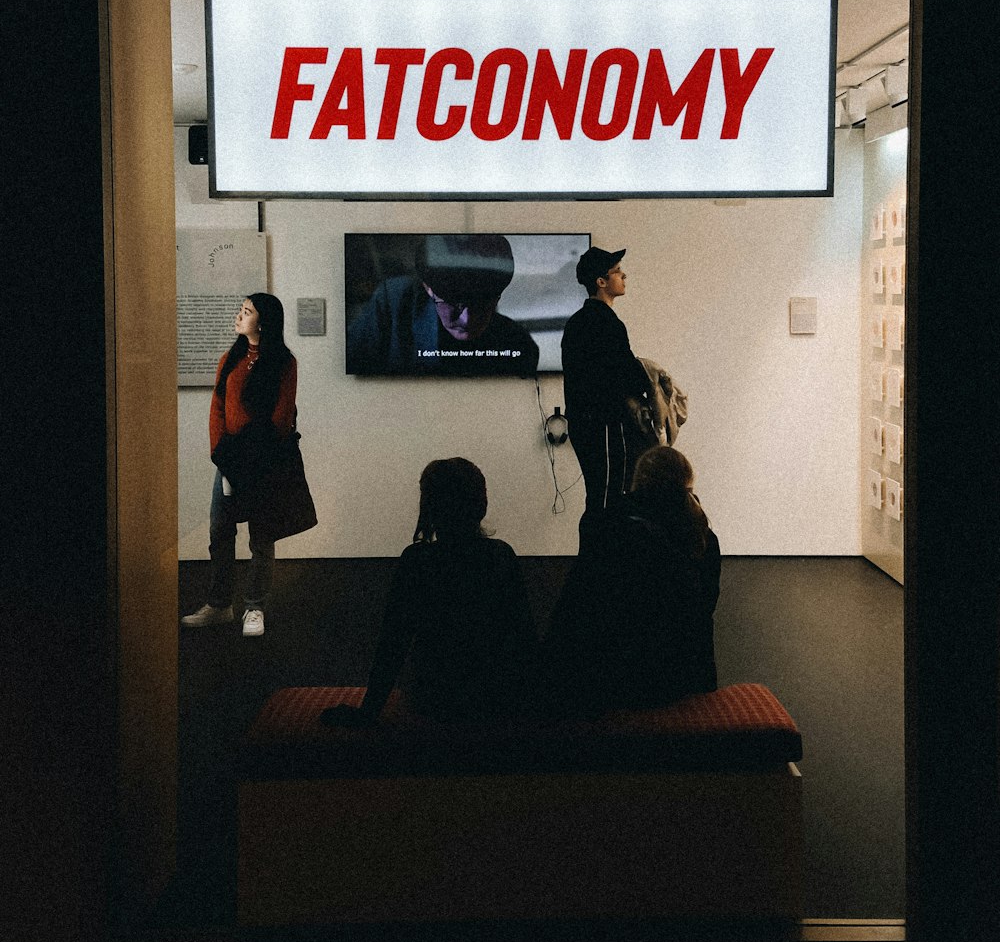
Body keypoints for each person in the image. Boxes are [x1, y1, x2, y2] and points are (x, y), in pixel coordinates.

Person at [320, 458, 538, 725]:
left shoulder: (417, 562)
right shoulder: (501, 556)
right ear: (481, 505)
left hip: (434, 697)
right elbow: (524, 637)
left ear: (429, 508)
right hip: (496, 696)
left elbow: (393, 643)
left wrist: (368, 712)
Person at [543, 445, 721, 716]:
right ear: (688, 483)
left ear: (637, 482)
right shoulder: (704, 539)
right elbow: (701, 612)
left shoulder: (609, 528)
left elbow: (578, 613)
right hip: (687, 682)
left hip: (612, 687)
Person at [181, 293, 300, 639]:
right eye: (241, 310)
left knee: (261, 538)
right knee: (220, 532)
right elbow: (217, 408)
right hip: (230, 461)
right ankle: (220, 605)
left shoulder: (283, 362)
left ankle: (254, 607)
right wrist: (219, 451)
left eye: (246, 312)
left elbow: (281, 417)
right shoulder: (229, 358)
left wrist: (249, 450)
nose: (239, 316)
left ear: (262, 322)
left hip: (263, 462)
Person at [346, 233, 540, 377]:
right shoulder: (394, 302)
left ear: (497, 297)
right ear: (428, 288)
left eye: (482, 303)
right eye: (454, 302)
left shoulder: (520, 345)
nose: (467, 319)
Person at [560, 245, 650, 545]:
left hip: (585, 424)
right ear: (601, 281)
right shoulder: (606, 323)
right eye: (617, 271)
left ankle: (593, 563)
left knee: (597, 493)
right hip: (606, 424)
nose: (624, 275)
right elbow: (624, 373)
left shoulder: (577, 322)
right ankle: (603, 566)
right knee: (610, 497)